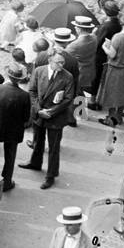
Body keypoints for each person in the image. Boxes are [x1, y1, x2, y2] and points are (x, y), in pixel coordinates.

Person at [21, 50, 77, 189]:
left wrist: (51, 112)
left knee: (54, 148)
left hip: (56, 117)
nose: (61, 65)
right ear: (50, 61)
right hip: (39, 113)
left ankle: (51, 175)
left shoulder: (67, 77)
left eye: (63, 62)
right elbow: (32, 91)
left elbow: (68, 98)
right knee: (37, 141)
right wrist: (39, 110)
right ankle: (35, 163)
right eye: (58, 62)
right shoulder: (39, 71)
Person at [0, 62, 32, 190]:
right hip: (13, 130)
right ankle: (7, 182)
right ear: (20, 79)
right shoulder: (25, 96)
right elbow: (26, 118)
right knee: (10, 157)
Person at [96, 8, 124, 126]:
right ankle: (119, 116)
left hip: (116, 69)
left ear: (122, 22)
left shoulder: (118, 37)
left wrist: (105, 46)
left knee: (111, 94)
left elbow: (112, 54)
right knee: (123, 94)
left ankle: (111, 119)